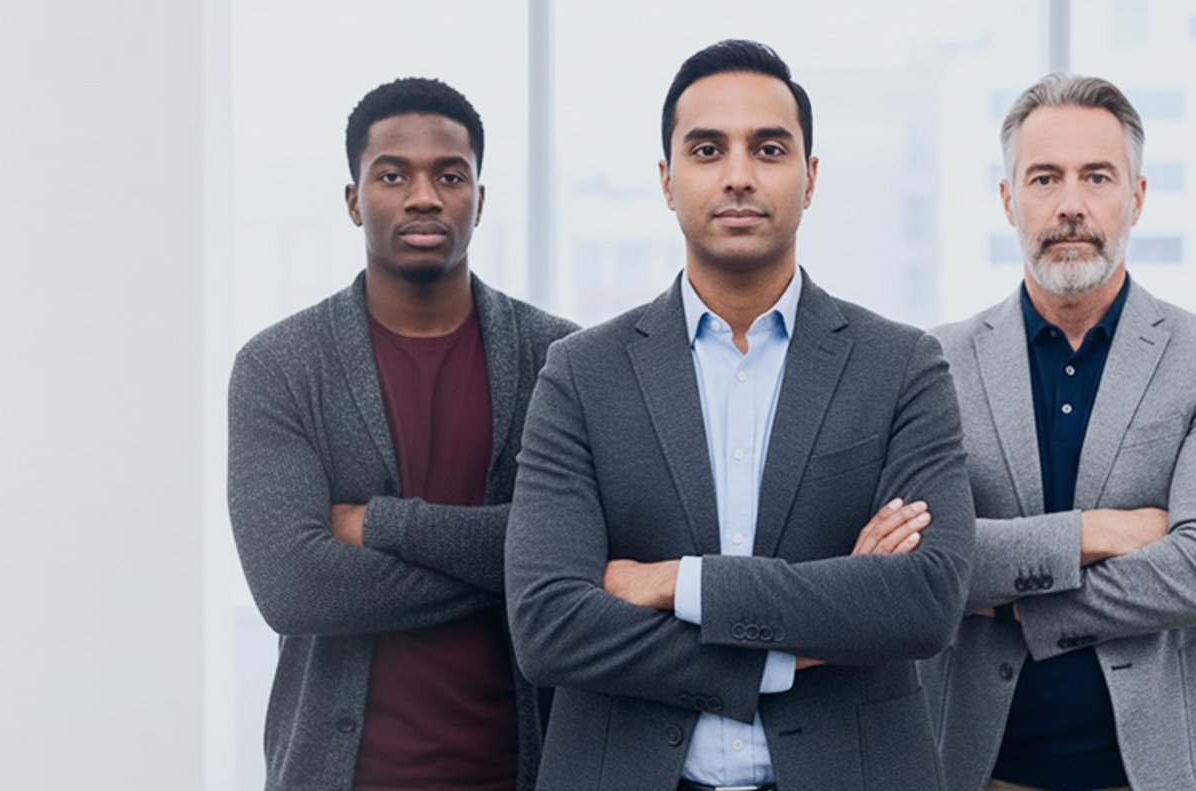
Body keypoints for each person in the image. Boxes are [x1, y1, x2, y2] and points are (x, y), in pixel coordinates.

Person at [504, 40, 973, 790]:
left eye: (769, 148)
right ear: (666, 179)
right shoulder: (581, 374)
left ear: (810, 177)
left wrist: (676, 583)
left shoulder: (901, 367)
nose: (738, 175)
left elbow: (924, 600)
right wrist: (794, 641)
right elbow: (550, 626)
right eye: (706, 149)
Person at [227, 77, 578, 791]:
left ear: (480, 199)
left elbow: (588, 547)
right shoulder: (282, 366)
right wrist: (528, 564)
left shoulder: (560, 361)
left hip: (526, 769)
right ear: (354, 198)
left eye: (450, 175)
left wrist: (381, 523)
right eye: (393, 174)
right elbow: (294, 589)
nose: (424, 195)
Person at [925, 73, 1196, 791]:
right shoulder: (935, 363)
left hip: (1152, 772)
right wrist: (1096, 531)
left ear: (1135, 197)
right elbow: (927, 561)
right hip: (977, 772)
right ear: (1009, 199)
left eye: (1096, 177)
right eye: (1044, 178)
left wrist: (1014, 602)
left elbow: (1192, 569)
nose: (1070, 205)